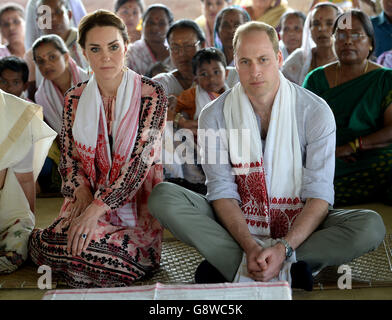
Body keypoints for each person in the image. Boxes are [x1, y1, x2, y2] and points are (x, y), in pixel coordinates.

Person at [147, 21, 386, 289]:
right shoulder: (214, 114)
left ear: (279, 58)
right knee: (163, 197)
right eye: (245, 62)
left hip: (299, 225)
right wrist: (250, 246)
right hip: (237, 222)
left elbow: (319, 194)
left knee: (370, 225)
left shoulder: (314, 111)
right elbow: (222, 190)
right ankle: (281, 269)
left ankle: (241, 266)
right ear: (234, 65)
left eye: (263, 59)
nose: (255, 71)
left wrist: (283, 247)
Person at [28, 10, 167, 288]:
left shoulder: (152, 94)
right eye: (95, 48)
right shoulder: (75, 98)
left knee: (86, 244)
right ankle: (89, 257)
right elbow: (69, 159)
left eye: (113, 47)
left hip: (134, 206)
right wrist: (81, 193)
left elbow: (139, 166)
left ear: (126, 47)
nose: (106, 56)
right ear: (82, 52)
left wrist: (95, 211)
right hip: (85, 197)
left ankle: (104, 256)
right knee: (49, 240)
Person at [303, 9, 392, 206]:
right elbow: (302, 128)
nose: (348, 41)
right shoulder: (316, 79)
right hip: (328, 156)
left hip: (373, 155)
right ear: (334, 41)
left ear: (370, 42)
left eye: (356, 35)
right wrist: (332, 152)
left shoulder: (385, 79)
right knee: (305, 172)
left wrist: (351, 147)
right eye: (341, 35)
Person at [0, 89, 56, 274]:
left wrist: (30, 221)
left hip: (7, 216)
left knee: (22, 233)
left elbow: (25, 180)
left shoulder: (16, 116)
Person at [166, 47, 230, 195]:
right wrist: (182, 121)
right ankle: (198, 185)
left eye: (216, 72)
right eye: (204, 74)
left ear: (226, 74)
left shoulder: (232, 95)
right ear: (196, 79)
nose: (211, 78)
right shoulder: (192, 95)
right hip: (197, 142)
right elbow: (170, 112)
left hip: (224, 142)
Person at [24, 0, 88, 101]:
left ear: (69, 14)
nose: (52, 19)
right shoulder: (31, 56)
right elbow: (33, 99)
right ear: (38, 22)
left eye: (58, 12)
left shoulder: (87, 42)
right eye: (45, 15)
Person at [33, 34, 89, 135]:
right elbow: (60, 135)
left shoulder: (90, 82)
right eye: (40, 61)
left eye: (52, 57)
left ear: (66, 57)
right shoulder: (42, 97)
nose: (46, 65)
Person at [281, 2, 342, 85]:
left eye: (329, 23)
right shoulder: (299, 58)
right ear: (309, 28)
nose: (322, 28)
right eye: (316, 24)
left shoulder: (349, 58)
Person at [126, 4, 173, 76]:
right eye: (150, 22)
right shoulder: (130, 53)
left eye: (161, 23)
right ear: (142, 25)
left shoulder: (176, 51)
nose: (155, 27)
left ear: (170, 26)